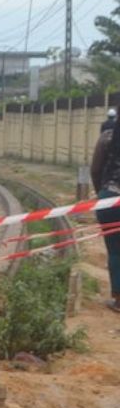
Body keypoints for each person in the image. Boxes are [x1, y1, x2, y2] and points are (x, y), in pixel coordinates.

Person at [89, 124, 120, 311]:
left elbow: (95, 170)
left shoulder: (107, 137)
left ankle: (118, 299)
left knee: (116, 251)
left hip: (110, 198)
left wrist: (101, 194)